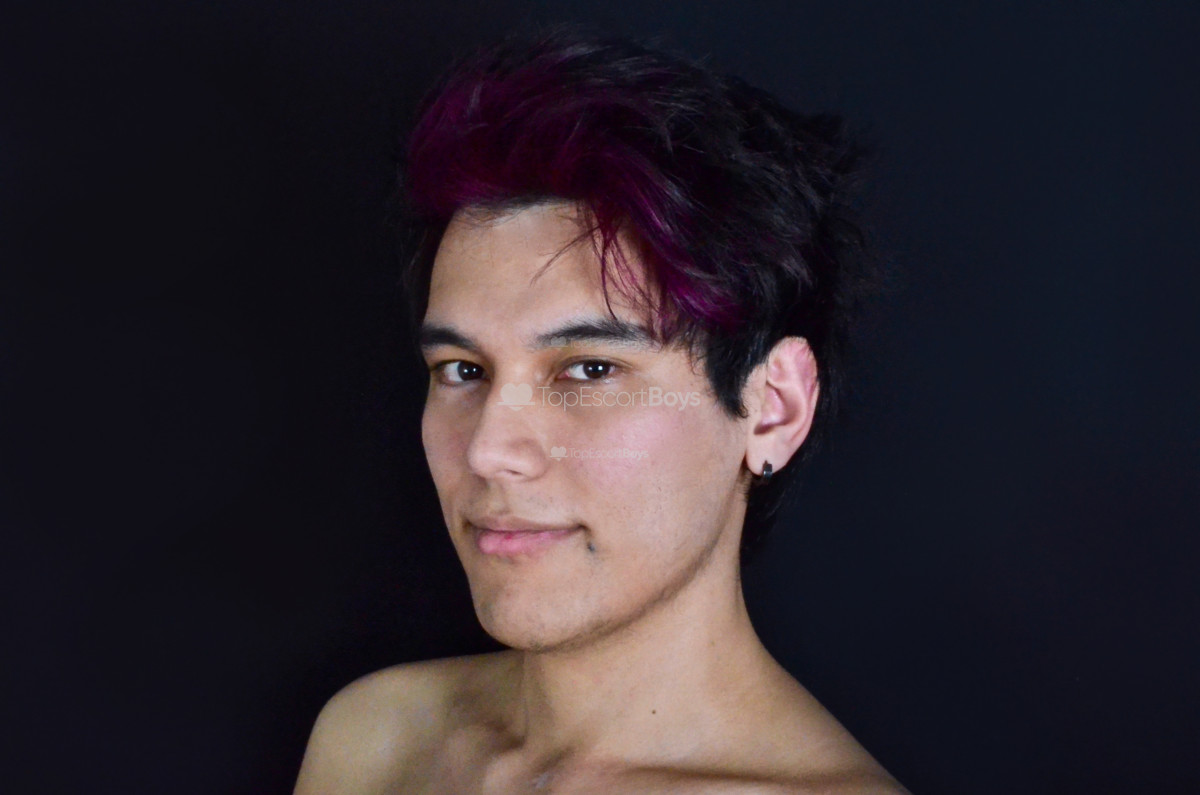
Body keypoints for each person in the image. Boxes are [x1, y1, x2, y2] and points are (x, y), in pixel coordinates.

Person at [294, 27, 907, 794]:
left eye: (589, 369)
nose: (487, 449)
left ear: (773, 409)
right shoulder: (375, 738)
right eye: (463, 369)